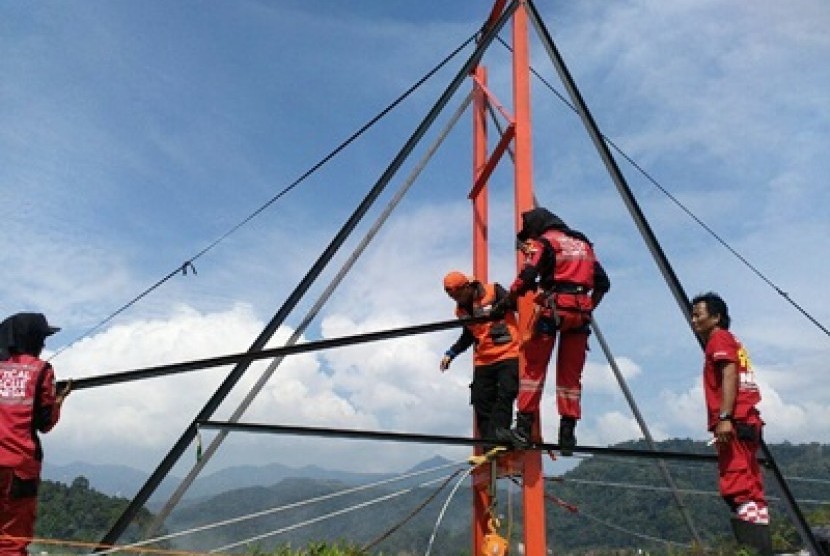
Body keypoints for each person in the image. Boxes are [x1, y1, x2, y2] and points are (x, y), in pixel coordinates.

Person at [497, 207, 610, 454]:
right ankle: (567, 436)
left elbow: (527, 275)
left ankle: (524, 430)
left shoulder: (545, 243)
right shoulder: (583, 244)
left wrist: (509, 299)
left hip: (553, 311)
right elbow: (604, 283)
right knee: (570, 377)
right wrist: (589, 309)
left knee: (534, 369)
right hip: (580, 315)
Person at [691, 293, 772, 555]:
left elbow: (729, 373)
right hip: (749, 418)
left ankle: (752, 545)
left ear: (716, 317)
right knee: (751, 485)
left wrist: (724, 417)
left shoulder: (719, 339)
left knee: (737, 485)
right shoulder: (733, 341)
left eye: (698, 315)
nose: (694, 321)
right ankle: (760, 540)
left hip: (735, 420)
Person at [0, 312, 70, 555]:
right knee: (12, 539)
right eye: (41, 338)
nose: (43, 345)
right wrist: (58, 400)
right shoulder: (41, 370)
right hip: (19, 467)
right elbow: (45, 423)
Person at [440, 272, 520, 446]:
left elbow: (519, 305)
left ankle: (502, 434)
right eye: (452, 297)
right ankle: (490, 443)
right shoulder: (460, 311)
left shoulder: (493, 291)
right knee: (480, 398)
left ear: (467, 287)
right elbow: (468, 335)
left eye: (457, 295)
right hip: (483, 359)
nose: (456, 300)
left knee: (506, 392)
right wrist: (451, 353)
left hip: (508, 352)